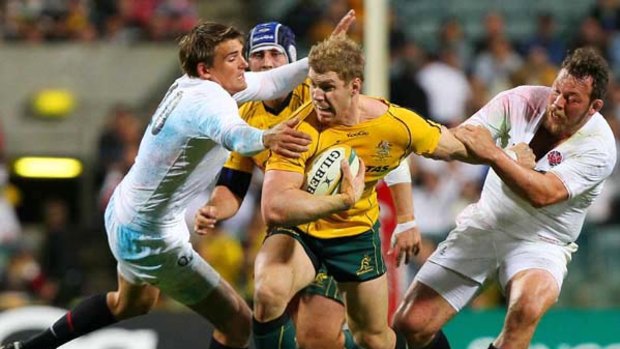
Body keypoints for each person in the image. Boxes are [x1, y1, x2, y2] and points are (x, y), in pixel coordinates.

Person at [0, 20, 317, 349]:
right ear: (206, 69)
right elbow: (235, 135)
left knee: (132, 304)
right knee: (237, 323)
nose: (245, 63)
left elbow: (270, 81)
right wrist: (269, 137)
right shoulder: (209, 101)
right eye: (234, 58)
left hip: (125, 210)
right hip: (151, 237)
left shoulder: (195, 83)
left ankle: (30, 347)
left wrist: (318, 60)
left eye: (241, 55)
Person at [194, 21, 420, 349]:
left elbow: (388, 147)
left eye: (275, 54)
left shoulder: (320, 93)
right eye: (258, 55)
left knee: (323, 337)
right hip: (293, 229)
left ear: (291, 60)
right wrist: (215, 208)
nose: (267, 63)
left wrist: (407, 218)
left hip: (342, 227)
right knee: (268, 293)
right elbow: (235, 180)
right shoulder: (244, 114)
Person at [251, 35, 484, 349]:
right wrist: (342, 200)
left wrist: (504, 156)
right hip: (300, 232)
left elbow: (452, 145)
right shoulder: (298, 130)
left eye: (328, 87)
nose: (317, 96)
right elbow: (275, 206)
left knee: (373, 339)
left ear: (354, 86)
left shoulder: (393, 124)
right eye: (314, 85)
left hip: (355, 234)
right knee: (269, 291)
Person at [392, 47, 616, 349]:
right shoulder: (521, 100)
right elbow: (463, 139)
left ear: (594, 106)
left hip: (543, 241)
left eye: (572, 99)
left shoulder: (600, 147)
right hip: (488, 222)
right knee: (411, 324)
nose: (558, 103)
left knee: (526, 310)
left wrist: (496, 155)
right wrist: (404, 130)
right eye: (556, 91)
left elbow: (543, 193)